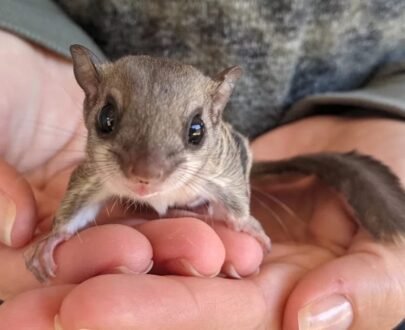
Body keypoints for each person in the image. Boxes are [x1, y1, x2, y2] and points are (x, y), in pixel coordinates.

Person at [0, 1, 404, 329]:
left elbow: (233, 166)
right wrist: (58, 233)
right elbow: (82, 189)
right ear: (90, 94)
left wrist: (242, 217)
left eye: (193, 133)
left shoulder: (217, 157)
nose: (146, 173)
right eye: (109, 123)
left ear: (215, 110)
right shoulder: (98, 162)